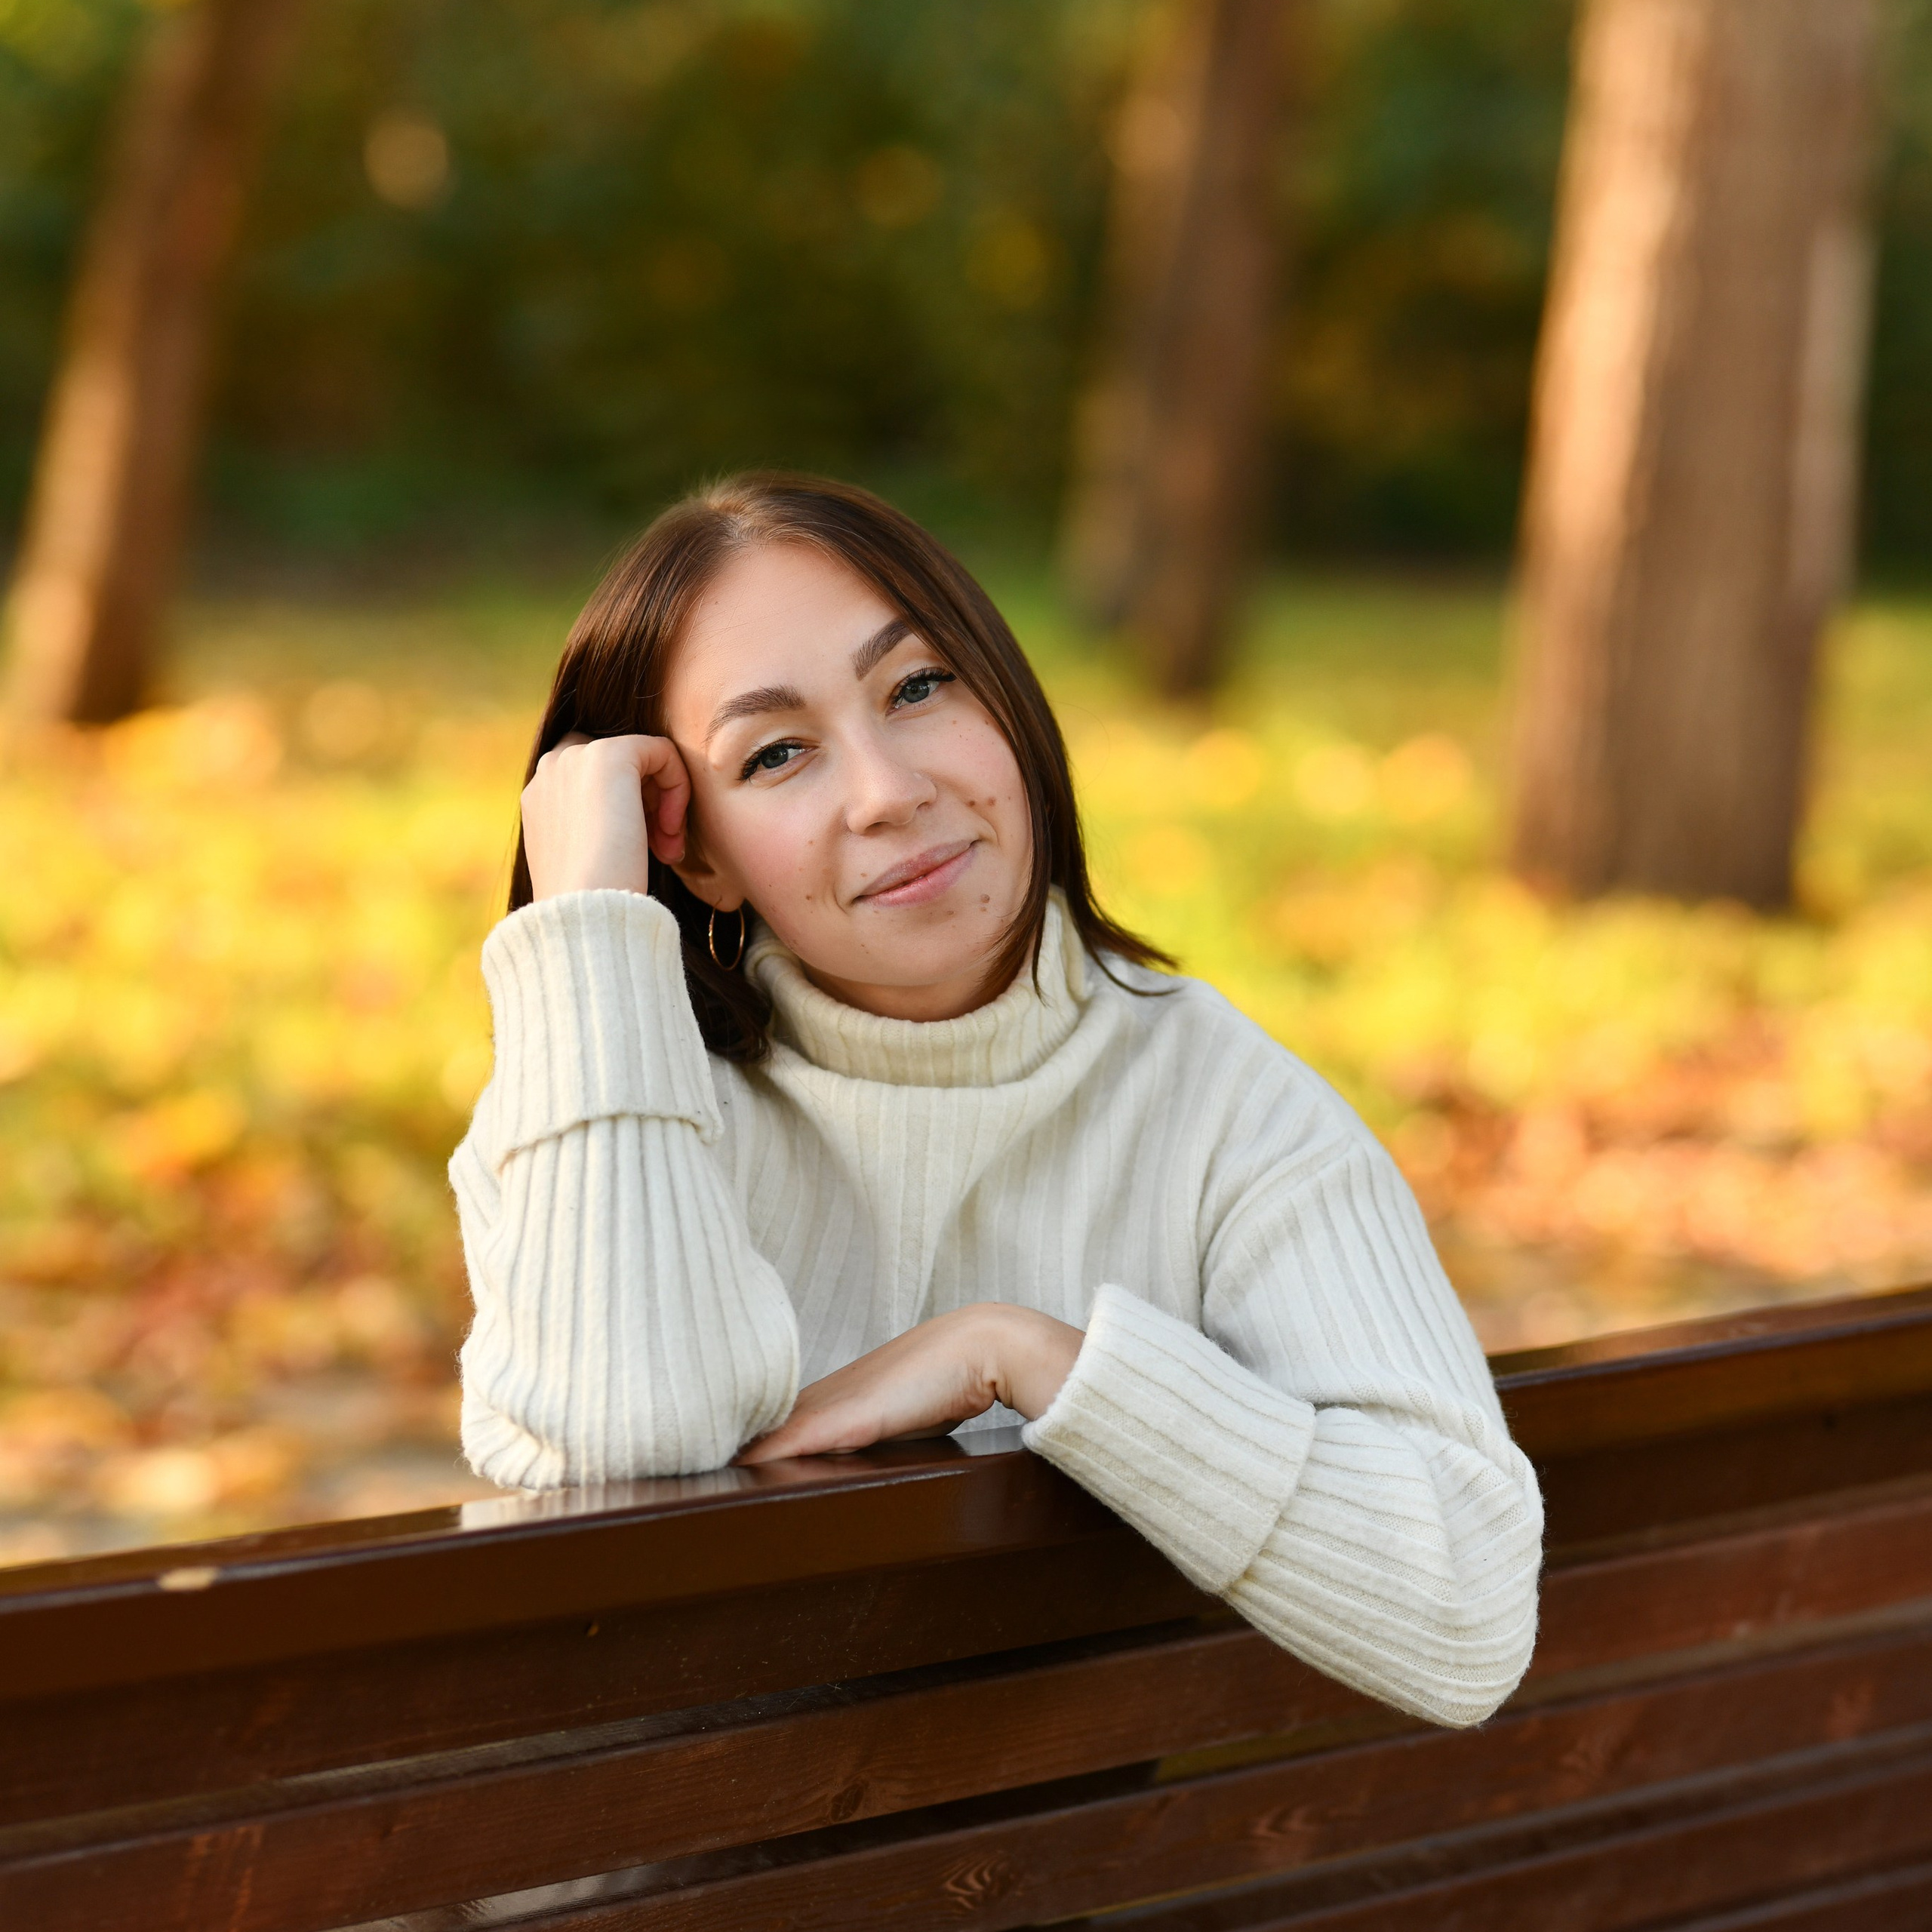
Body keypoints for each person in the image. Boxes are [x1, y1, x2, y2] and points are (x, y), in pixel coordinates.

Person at [451, 473, 1542, 1729]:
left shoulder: (1218, 1109)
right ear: (690, 851)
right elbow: (618, 1453)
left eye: (917, 687)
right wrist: (589, 919)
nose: (888, 791)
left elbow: (1464, 1617)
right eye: (778, 753)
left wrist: (1024, 1358)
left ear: (1007, 698)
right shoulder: (594, 1116)